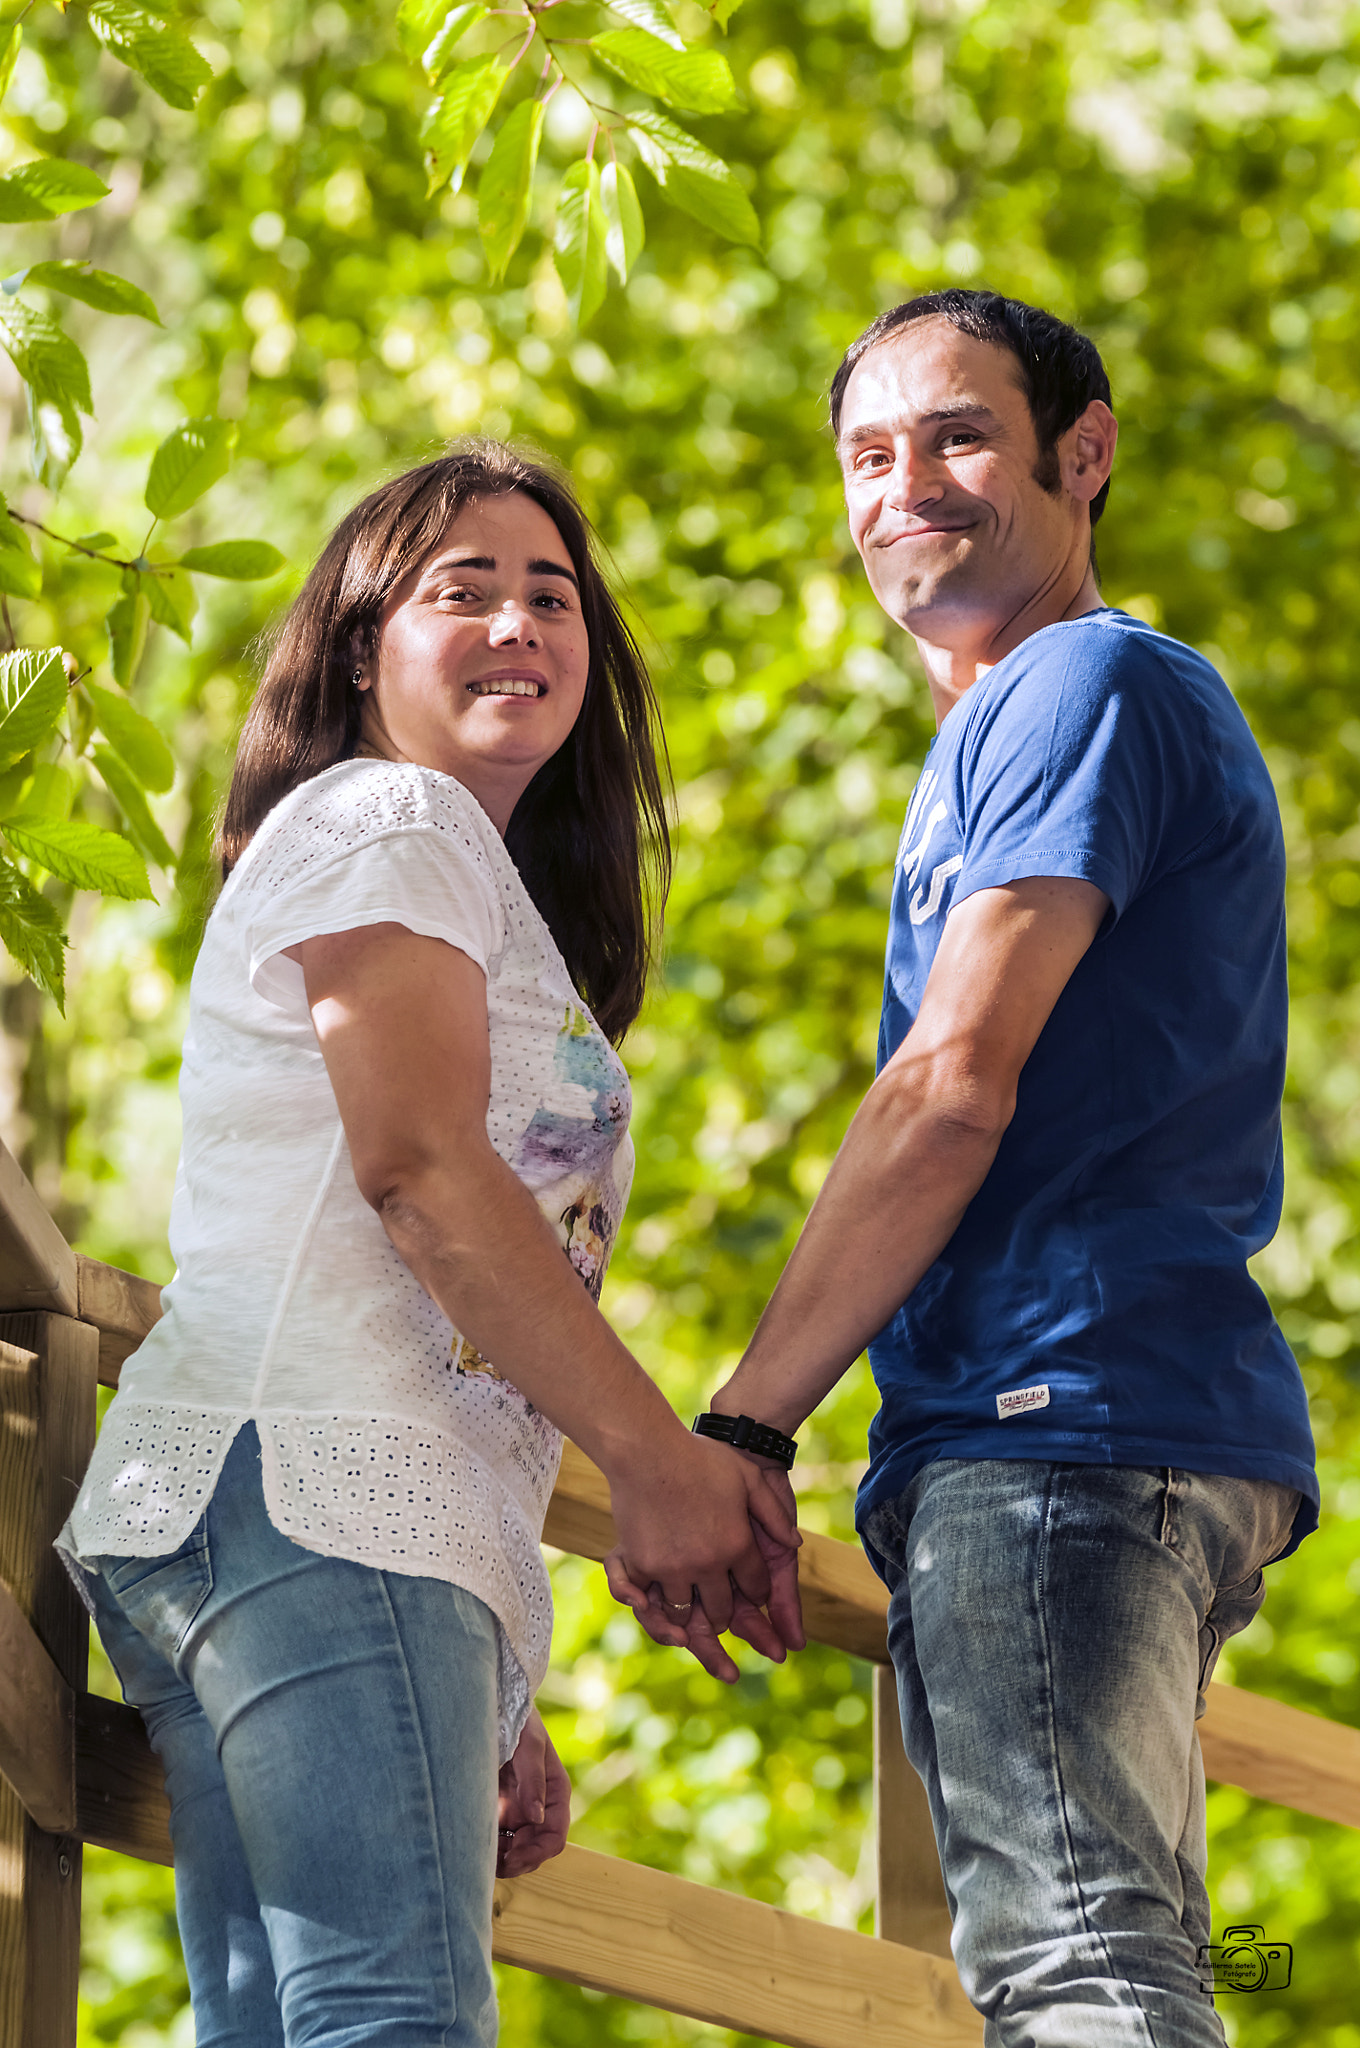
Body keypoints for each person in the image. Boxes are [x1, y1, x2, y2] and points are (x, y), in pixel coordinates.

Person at [614, 291, 1318, 2046]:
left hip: (1060, 1423)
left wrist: (743, 1427)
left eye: (955, 437)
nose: (901, 486)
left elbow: (948, 1090)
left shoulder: (1086, 679)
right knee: (1115, 1958)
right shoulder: (1008, 725)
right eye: (866, 455)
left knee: (1078, 1969)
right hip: (1107, 1432)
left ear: (1082, 457)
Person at [58, 442, 801, 2048]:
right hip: (321, 1500)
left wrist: (489, 1669)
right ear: (356, 644)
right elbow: (418, 1174)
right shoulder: (391, 812)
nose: (522, 620)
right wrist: (656, 1460)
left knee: (286, 2031)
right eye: (463, 589)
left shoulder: (440, 862)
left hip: (281, 1516)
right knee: (395, 2025)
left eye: (555, 594)